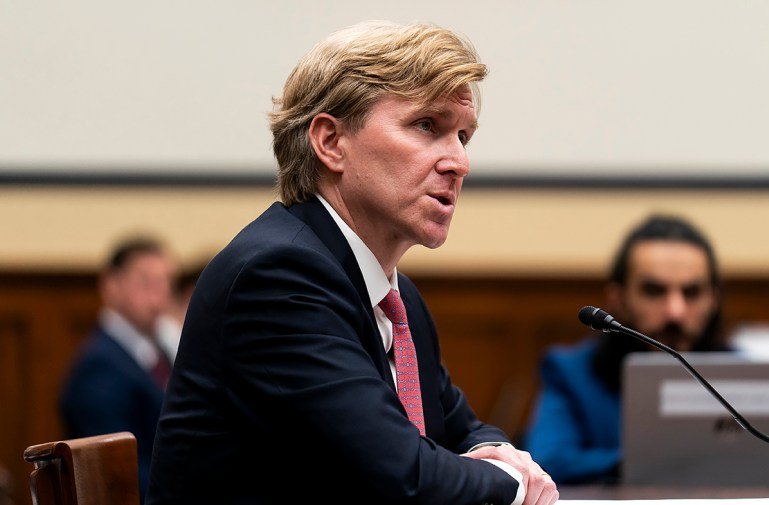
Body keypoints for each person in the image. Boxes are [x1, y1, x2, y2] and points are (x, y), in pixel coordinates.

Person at [147, 22, 557, 505]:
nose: (459, 162)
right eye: (427, 126)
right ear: (331, 142)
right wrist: (514, 482)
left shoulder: (396, 299)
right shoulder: (278, 278)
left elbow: (461, 428)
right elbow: (403, 474)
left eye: (463, 136)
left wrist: (496, 452)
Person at [525, 215, 724, 484]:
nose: (675, 311)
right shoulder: (571, 373)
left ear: (713, 300)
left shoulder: (747, 373)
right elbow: (548, 462)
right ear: (618, 298)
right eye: (654, 291)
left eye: (692, 292)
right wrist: (661, 462)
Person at [60, 237, 176, 499]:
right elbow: (115, 471)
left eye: (166, 283)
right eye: (146, 283)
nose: (158, 296)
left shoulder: (159, 350)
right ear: (111, 285)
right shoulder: (98, 366)